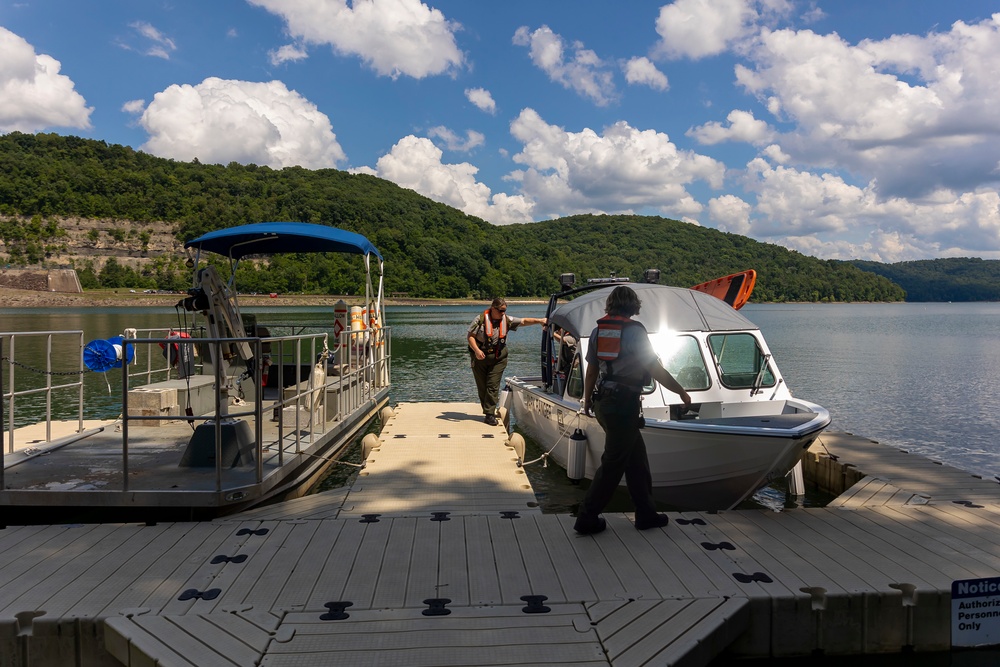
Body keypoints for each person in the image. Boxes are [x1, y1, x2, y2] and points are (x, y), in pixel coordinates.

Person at [574, 285, 692, 535]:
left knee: (636, 460)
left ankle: (646, 513)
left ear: (610, 305)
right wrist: (680, 391)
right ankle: (586, 517)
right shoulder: (635, 332)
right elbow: (654, 368)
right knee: (613, 463)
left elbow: (592, 371)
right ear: (633, 306)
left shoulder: (598, 331)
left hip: (604, 403)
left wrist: (586, 402)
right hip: (623, 405)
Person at [467, 297, 546, 425]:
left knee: (492, 385)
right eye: (500, 310)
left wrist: (540, 321)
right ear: (493, 308)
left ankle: (489, 414)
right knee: (482, 386)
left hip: (499, 357)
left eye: (505, 310)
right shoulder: (479, 320)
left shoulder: (506, 320)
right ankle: (488, 410)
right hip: (480, 356)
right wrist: (476, 350)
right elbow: (470, 336)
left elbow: (524, 321)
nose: (503, 313)